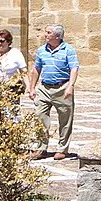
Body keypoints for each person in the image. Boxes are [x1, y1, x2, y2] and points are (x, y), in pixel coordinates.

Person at [25, 22, 79, 160]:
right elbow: (37, 69)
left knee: (65, 120)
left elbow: (74, 68)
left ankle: (62, 149)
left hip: (62, 87)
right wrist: (32, 87)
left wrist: (70, 86)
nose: (45, 35)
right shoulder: (42, 50)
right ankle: (41, 148)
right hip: (44, 88)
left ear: (57, 36)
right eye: (46, 32)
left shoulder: (68, 50)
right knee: (40, 117)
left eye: (48, 33)